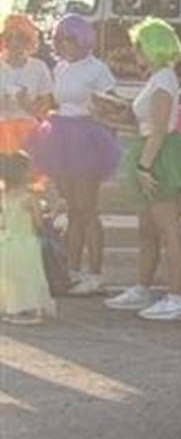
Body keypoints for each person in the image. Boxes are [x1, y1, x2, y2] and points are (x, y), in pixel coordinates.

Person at [105, 18, 181, 323]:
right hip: (154, 152)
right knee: (148, 229)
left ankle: (176, 298)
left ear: (150, 48)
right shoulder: (158, 78)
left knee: (168, 229)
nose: (135, 54)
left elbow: (161, 129)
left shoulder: (164, 80)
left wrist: (144, 166)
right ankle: (142, 287)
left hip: (160, 157)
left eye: (138, 48)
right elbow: (147, 123)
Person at [27, 15, 119, 295]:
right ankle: (72, 269)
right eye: (57, 38)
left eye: (66, 38)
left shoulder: (97, 68)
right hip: (60, 135)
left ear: (81, 39)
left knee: (87, 210)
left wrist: (100, 112)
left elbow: (112, 105)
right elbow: (53, 101)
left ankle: (94, 273)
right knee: (72, 208)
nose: (60, 43)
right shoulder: (61, 68)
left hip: (86, 137)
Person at [0, 152, 56, 324]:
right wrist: (55, 211)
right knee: (30, 276)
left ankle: (11, 308)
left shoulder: (4, 196)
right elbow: (39, 223)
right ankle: (27, 310)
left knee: (11, 278)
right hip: (26, 243)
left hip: (6, 241)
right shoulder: (29, 197)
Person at [0, 15, 54, 156]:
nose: (14, 42)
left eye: (20, 37)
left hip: (30, 132)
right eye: (9, 37)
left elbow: (45, 110)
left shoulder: (39, 67)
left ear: (29, 41)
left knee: (29, 175)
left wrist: (27, 104)